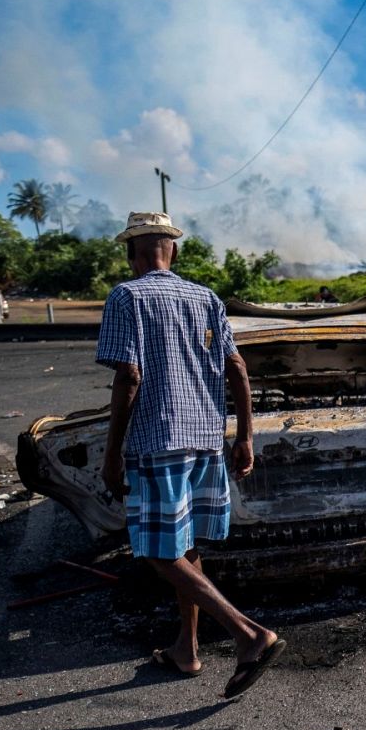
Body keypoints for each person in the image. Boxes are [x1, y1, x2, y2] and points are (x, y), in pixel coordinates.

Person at [97, 211, 284, 699]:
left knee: (158, 550)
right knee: (185, 545)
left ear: (130, 252)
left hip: (156, 440)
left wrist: (112, 452)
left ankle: (249, 634)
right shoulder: (205, 297)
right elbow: (238, 370)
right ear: (172, 249)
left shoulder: (126, 297)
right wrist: (244, 436)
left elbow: (130, 378)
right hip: (205, 436)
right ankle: (188, 649)